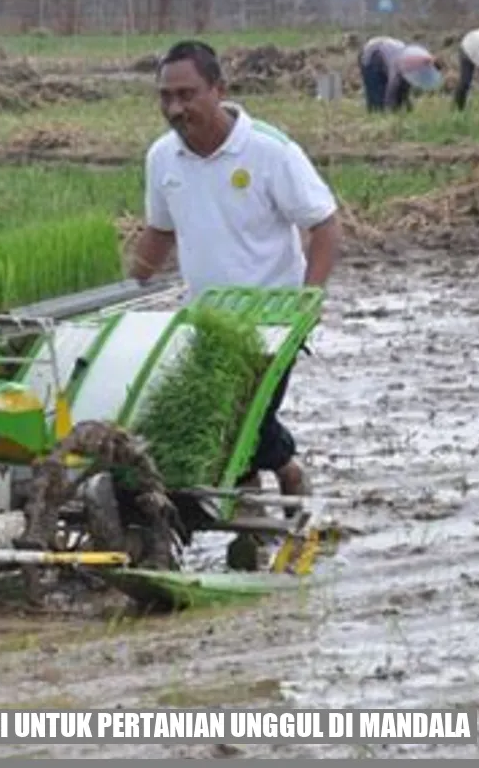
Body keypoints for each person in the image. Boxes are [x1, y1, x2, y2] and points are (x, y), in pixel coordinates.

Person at [127, 40, 343, 569]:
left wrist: (308, 301)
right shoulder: (163, 157)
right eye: (165, 96)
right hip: (206, 321)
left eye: (187, 94)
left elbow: (325, 226)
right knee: (229, 422)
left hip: (274, 322)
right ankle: (268, 501)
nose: (176, 108)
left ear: (219, 90)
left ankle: (262, 510)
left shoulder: (269, 151)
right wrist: (124, 287)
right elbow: (160, 232)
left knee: (241, 421)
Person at [358, 36, 440, 113]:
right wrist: (388, 109)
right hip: (371, 54)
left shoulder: (420, 62)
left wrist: (408, 108)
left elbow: (405, 91)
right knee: (378, 103)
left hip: (387, 52)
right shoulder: (398, 68)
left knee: (399, 97)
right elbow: (391, 89)